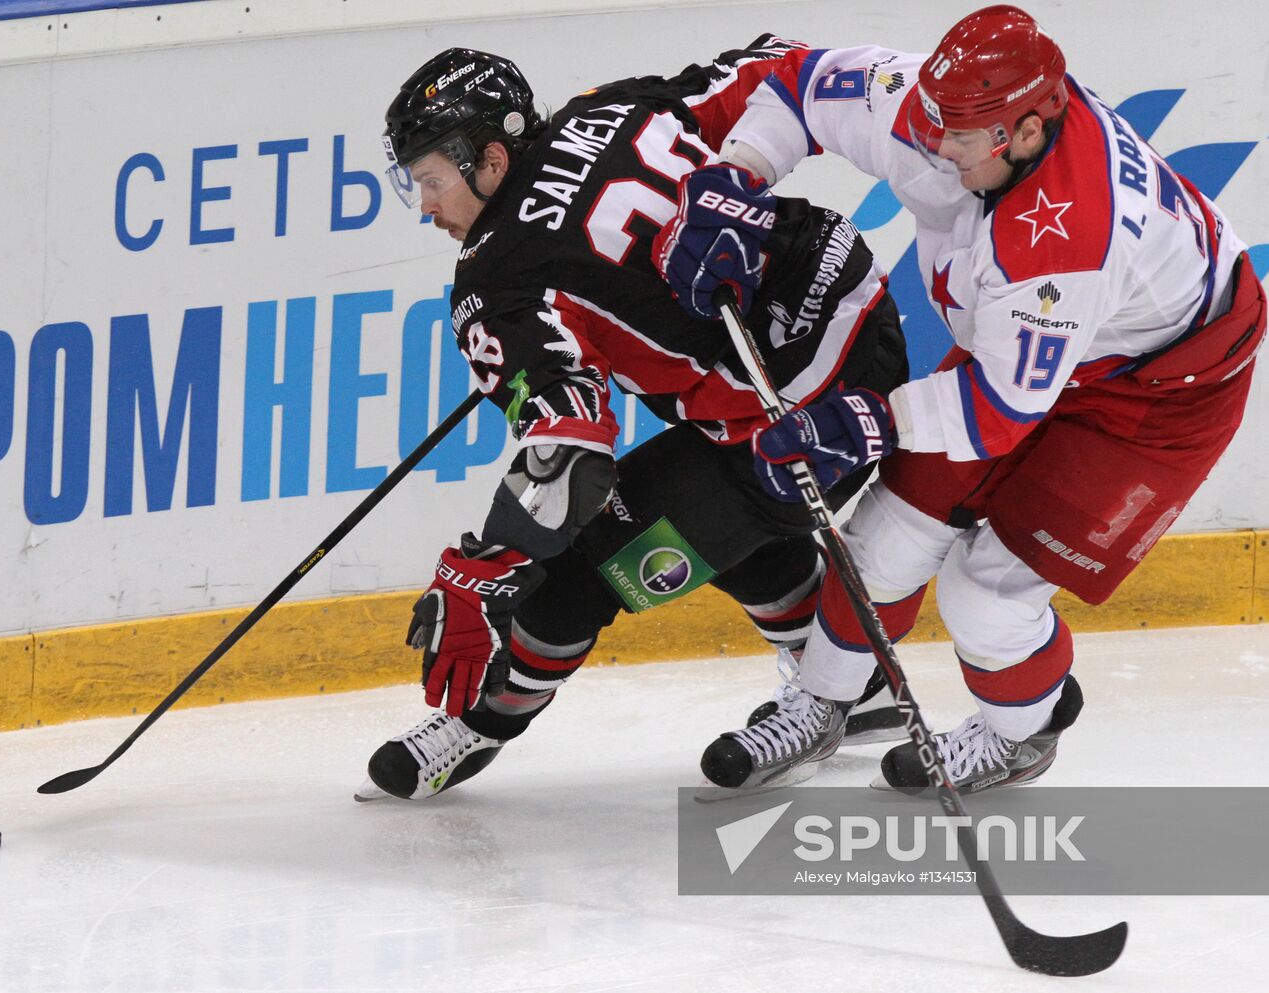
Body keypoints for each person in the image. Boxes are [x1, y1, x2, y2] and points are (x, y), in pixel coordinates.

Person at [656, 5, 1267, 792]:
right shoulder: (940, 111)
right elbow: (794, 85)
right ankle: (821, 701)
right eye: (935, 123)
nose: (937, 147)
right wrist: (733, 179)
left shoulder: (1067, 242)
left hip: (1160, 396)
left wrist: (869, 420)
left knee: (986, 598)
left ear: (1029, 132)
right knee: (879, 543)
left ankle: (1024, 730)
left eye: (963, 138)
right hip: (1025, 347)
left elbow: (1000, 409)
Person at [357, 39, 911, 801]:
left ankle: (482, 719)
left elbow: (573, 459)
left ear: (489, 157)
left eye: (430, 180)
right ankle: (856, 679)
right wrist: (737, 184)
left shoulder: (497, 279)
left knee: (576, 571)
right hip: (859, 308)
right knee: (701, 514)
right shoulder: (604, 107)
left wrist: (492, 563)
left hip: (795, 424)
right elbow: (777, 67)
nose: (425, 208)